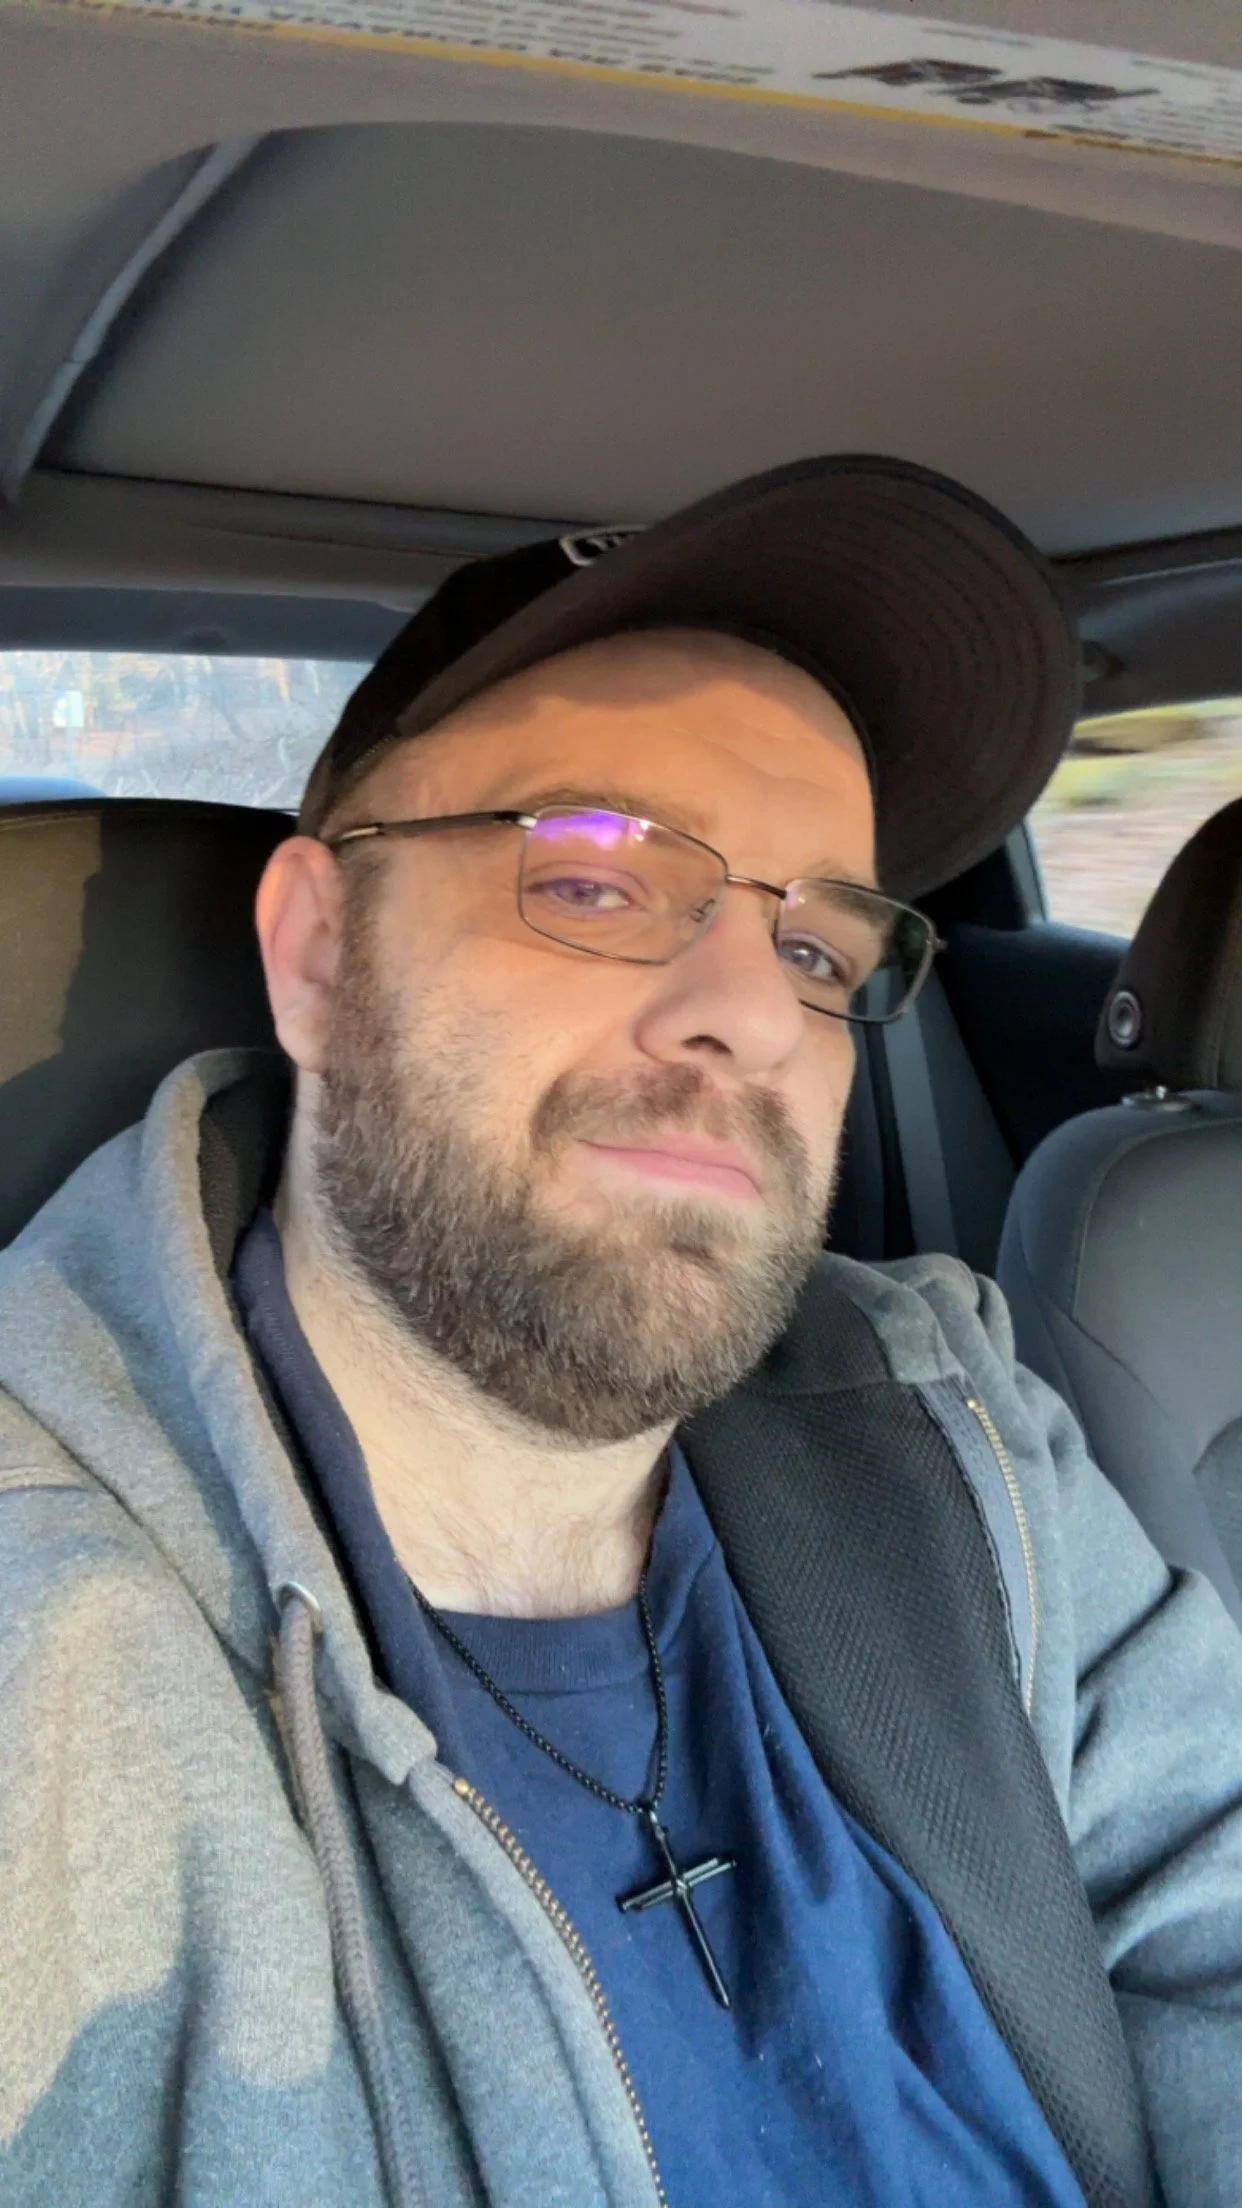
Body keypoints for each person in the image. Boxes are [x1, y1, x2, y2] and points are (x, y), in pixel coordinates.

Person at [0, 455, 1239, 2208]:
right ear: (318, 956)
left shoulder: (952, 1419)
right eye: (588, 876)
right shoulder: (51, 1637)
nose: (753, 1014)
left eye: (816, 948)